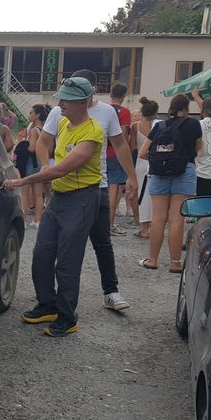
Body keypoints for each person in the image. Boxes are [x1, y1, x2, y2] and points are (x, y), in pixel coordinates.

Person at [2, 77, 103, 337]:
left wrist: (24, 180)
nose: (60, 104)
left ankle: (67, 317)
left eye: (66, 100)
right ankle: (48, 304)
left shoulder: (92, 132)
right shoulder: (62, 122)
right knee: (42, 254)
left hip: (81, 199)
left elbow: (64, 167)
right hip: (59, 198)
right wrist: (44, 162)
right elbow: (44, 143)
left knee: (67, 262)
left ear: (82, 102)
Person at [37, 69, 137, 312]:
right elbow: (43, 142)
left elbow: (120, 143)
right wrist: (45, 171)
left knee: (102, 242)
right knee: (55, 248)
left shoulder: (106, 112)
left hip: (98, 187)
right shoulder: (59, 112)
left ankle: (111, 291)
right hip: (65, 189)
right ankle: (51, 303)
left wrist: (131, 177)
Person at [137, 93, 202, 273]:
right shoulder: (193, 124)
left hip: (159, 173)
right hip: (184, 171)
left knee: (158, 218)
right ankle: (175, 263)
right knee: (176, 219)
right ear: (187, 108)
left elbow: (142, 153)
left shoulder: (160, 126)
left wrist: (160, 159)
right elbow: (198, 149)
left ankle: (152, 260)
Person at [132, 98, 160, 239]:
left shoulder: (136, 126)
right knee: (154, 195)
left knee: (142, 195)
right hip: (155, 161)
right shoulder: (160, 125)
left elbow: (133, 146)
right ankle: (155, 226)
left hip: (141, 162)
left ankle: (144, 228)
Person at [106, 83, 132, 236]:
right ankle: (109, 225)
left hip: (102, 152)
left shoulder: (104, 110)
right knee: (114, 189)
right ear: (124, 97)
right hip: (116, 153)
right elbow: (123, 136)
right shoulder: (124, 112)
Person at [22, 104, 50, 228]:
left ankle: (23, 219)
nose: (29, 115)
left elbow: (32, 148)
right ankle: (38, 220)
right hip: (40, 162)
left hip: (30, 162)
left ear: (37, 115)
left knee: (25, 192)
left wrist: (23, 144)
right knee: (38, 193)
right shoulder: (43, 129)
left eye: (31, 113)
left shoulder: (33, 130)